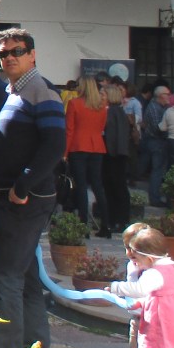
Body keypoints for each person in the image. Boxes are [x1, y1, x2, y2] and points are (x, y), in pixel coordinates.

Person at [0, 28, 65, 348]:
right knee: (27, 279)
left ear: (32, 54)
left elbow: (54, 145)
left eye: (17, 51)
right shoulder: (13, 90)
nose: (9, 58)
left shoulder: (41, 90)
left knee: (6, 278)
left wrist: (23, 185)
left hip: (25, 201)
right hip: (13, 196)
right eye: (3, 54)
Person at [65, 76, 110, 237]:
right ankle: (106, 225)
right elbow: (102, 127)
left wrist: (65, 153)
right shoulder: (102, 106)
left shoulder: (74, 103)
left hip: (78, 146)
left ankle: (83, 226)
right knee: (98, 186)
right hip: (97, 146)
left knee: (81, 186)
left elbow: (69, 130)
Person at [102, 84, 134, 232]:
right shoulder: (115, 111)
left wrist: (117, 152)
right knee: (111, 186)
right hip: (113, 153)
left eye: (103, 95)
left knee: (117, 186)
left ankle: (121, 219)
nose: (101, 97)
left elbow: (117, 134)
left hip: (115, 154)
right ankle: (114, 218)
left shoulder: (115, 112)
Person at [141, 85, 172, 206]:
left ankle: (157, 197)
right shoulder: (154, 107)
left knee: (160, 170)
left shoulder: (163, 107)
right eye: (167, 94)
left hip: (160, 141)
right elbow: (156, 127)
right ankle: (155, 199)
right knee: (157, 170)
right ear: (160, 96)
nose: (169, 97)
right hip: (156, 141)